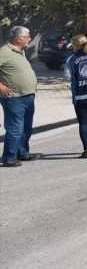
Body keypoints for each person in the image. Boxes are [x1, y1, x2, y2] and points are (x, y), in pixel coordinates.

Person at [0, 26, 41, 167]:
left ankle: (22, 153)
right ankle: (9, 158)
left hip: (28, 96)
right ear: (19, 38)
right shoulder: (4, 52)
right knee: (15, 128)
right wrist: (1, 86)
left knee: (26, 128)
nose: (30, 38)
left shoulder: (20, 51)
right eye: (28, 36)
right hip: (14, 98)